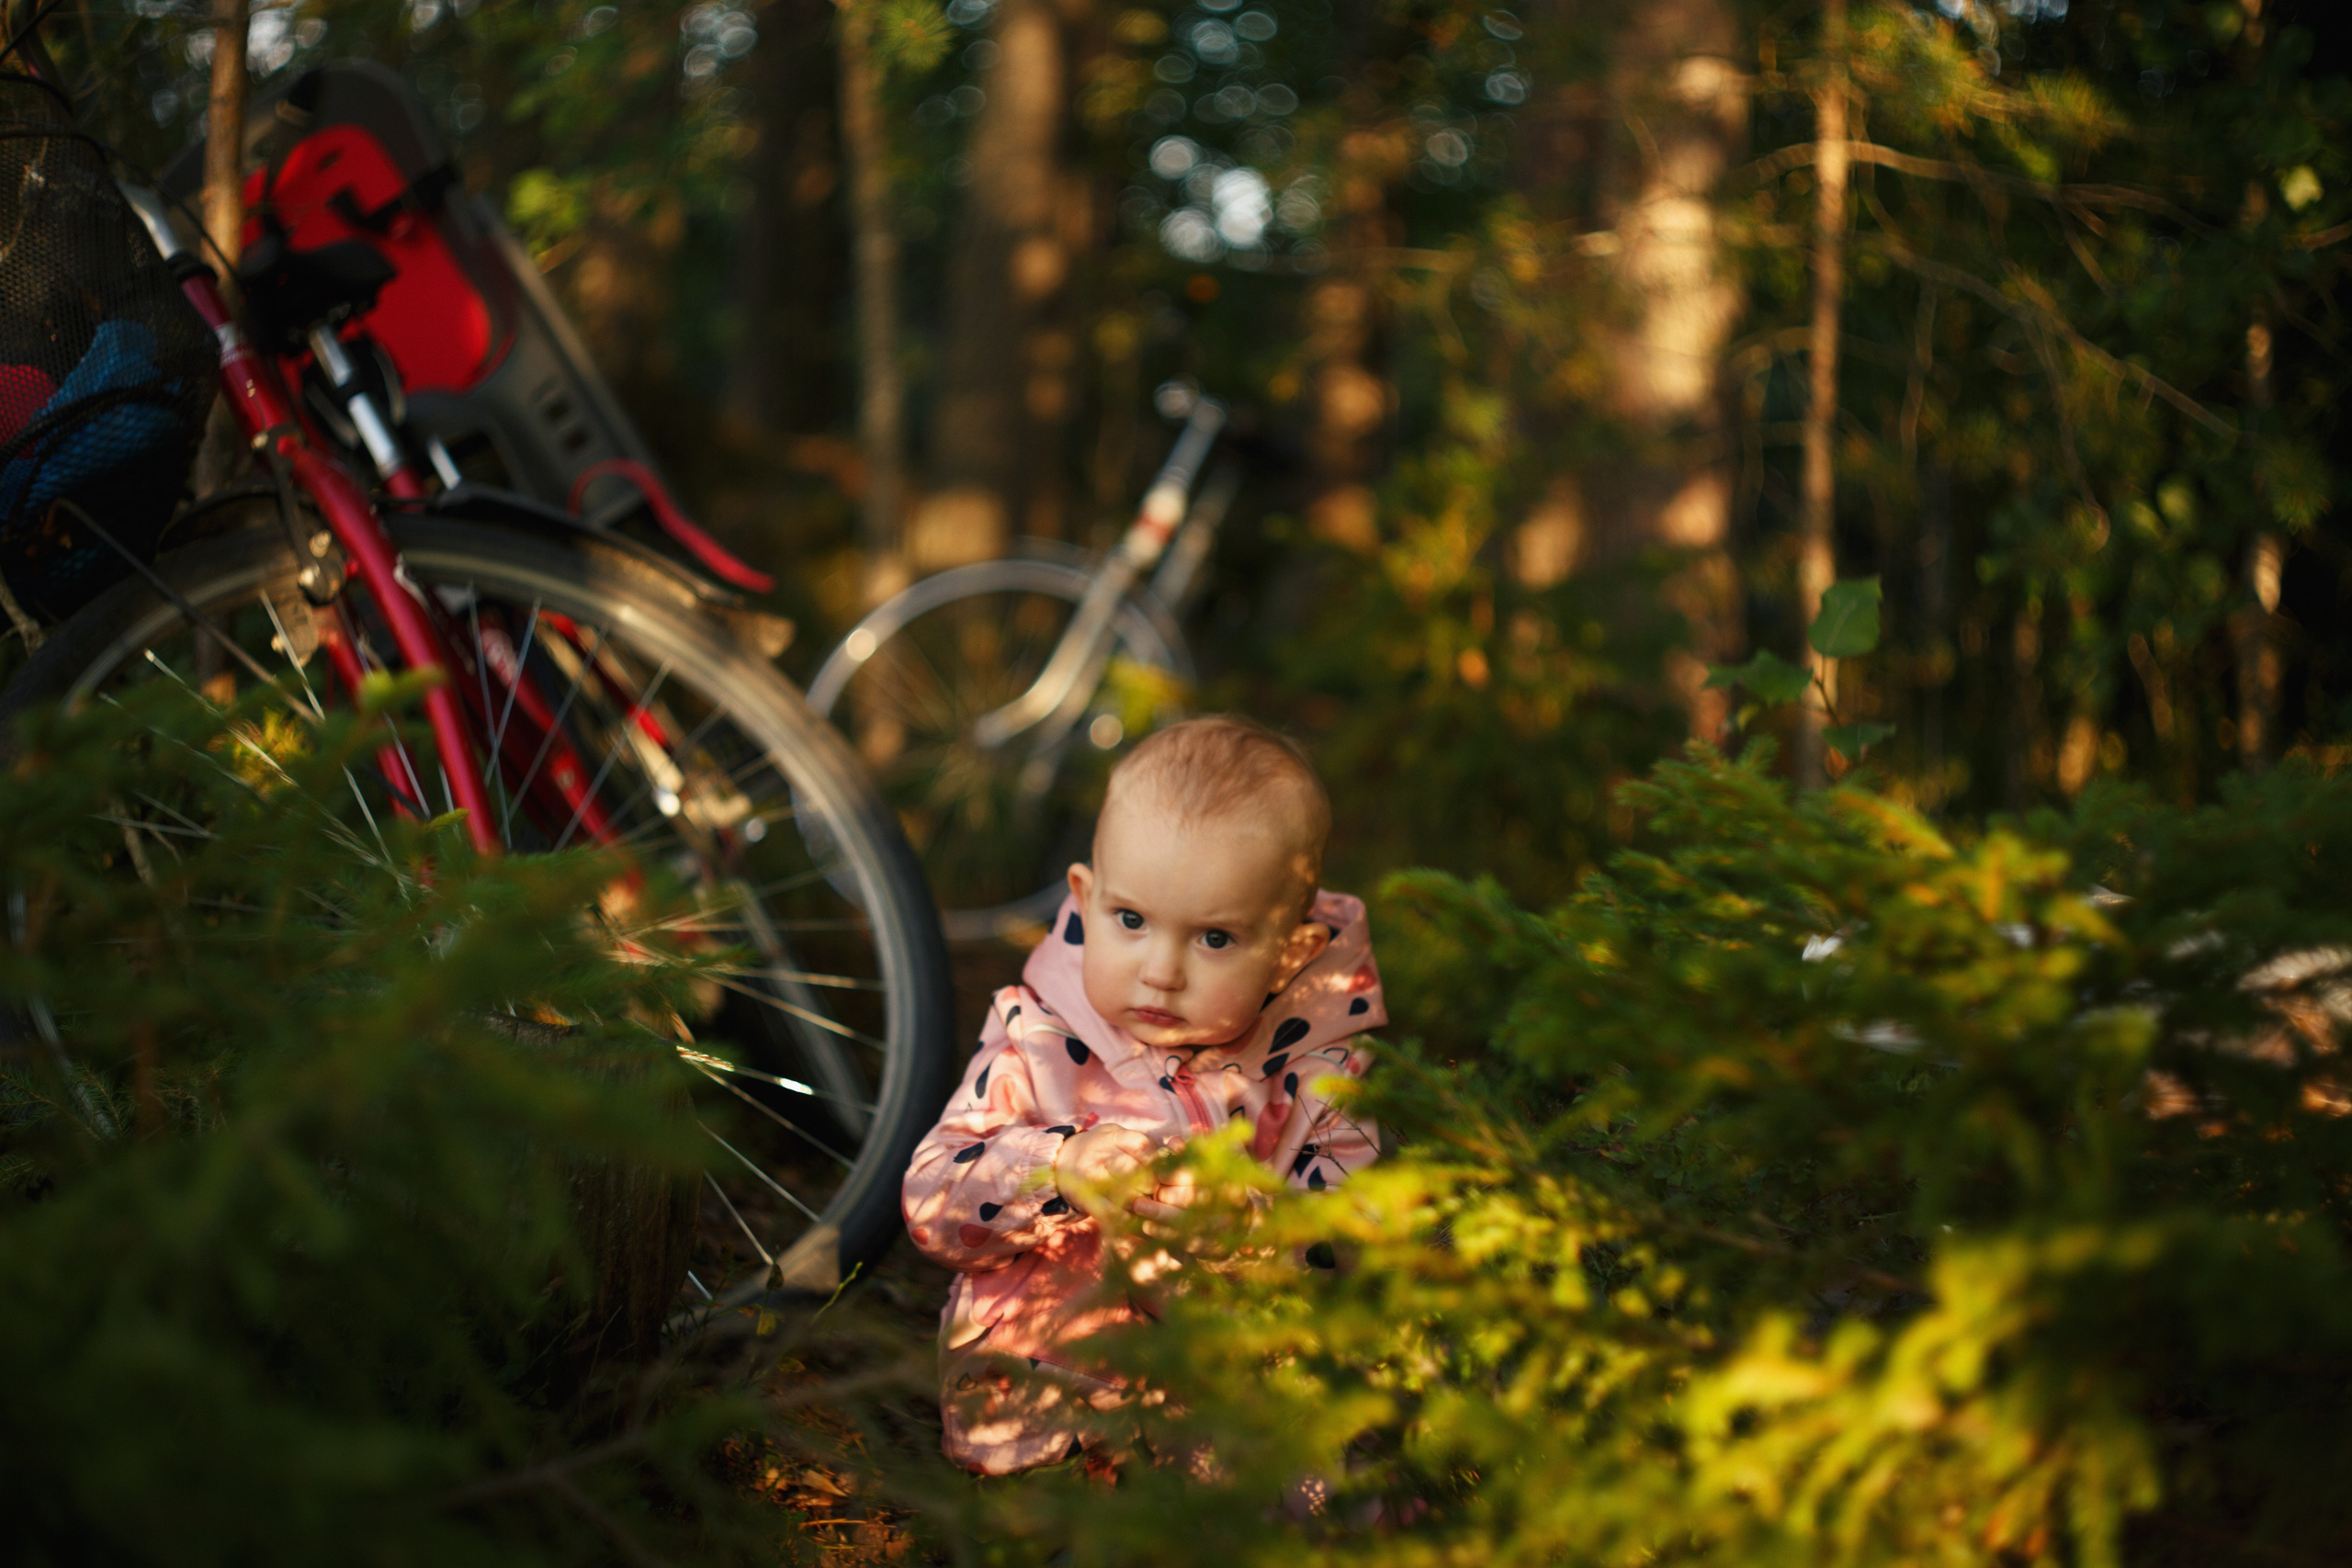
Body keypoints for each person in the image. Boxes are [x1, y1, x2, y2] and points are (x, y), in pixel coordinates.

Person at [900, 715, 1385, 1474]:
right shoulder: (1038, 1036)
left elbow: (1357, 1241)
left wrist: (1252, 1231)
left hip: (1226, 1414)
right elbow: (932, 1199)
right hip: (1041, 1401)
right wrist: (1056, 1169)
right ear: (1085, 899)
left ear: (1290, 949)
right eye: (1131, 920)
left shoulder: (1313, 1073)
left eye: (1214, 938)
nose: (1160, 969)